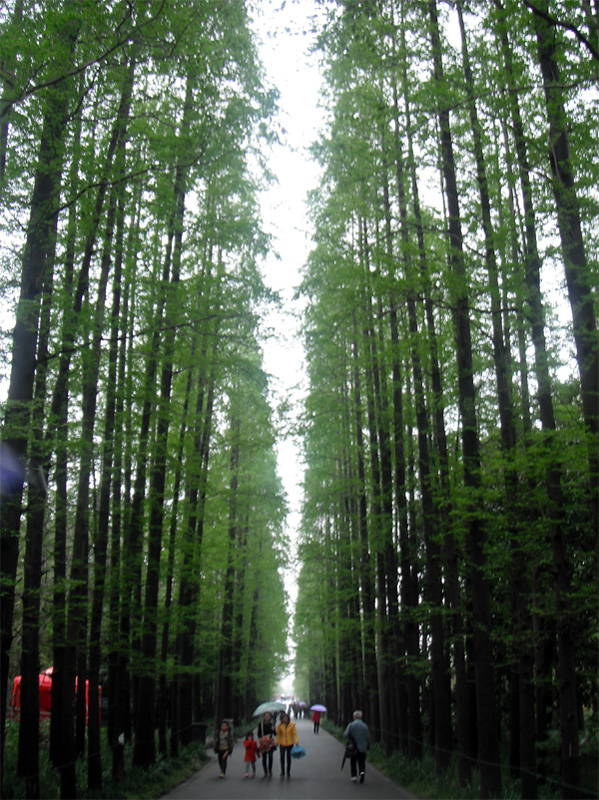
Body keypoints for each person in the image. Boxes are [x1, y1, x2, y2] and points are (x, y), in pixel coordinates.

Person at [343, 710, 371, 783]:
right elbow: (368, 737)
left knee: (353, 761)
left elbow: (345, 734)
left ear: (354, 717)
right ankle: (362, 772)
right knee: (361, 761)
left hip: (353, 747)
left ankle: (354, 776)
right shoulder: (365, 726)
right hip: (362, 747)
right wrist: (368, 745)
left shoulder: (351, 725)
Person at [275, 712, 298, 778]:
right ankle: (282, 771)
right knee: (282, 758)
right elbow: (278, 735)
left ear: (288, 718)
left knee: (288, 758)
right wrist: (277, 742)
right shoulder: (280, 726)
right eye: (284, 718)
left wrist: (296, 742)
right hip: (282, 743)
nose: (285, 719)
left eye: (286, 718)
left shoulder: (292, 725)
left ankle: (288, 771)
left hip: (290, 743)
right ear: (282, 719)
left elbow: (294, 734)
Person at [257, 711, 276, 777]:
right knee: (264, 757)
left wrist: (273, 730)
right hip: (263, 742)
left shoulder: (272, 724)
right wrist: (262, 737)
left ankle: (270, 770)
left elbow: (275, 734)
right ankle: (265, 771)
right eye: (266, 716)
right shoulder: (261, 724)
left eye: (268, 716)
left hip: (270, 742)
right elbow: (258, 734)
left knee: (270, 757)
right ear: (264, 717)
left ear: (270, 717)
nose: (267, 717)